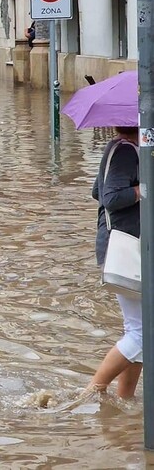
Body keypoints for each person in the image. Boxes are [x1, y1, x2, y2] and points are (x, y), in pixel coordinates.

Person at [88, 126, 142, 398]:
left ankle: (124, 400)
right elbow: (109, 197)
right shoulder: (125, 152)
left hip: (120, 248)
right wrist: (142, 189)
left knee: (139, 330)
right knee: (142, 333)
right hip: (124, 249)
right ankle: (90, 392)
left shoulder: (116, 148)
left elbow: (96, 190)